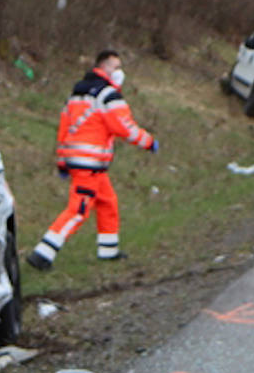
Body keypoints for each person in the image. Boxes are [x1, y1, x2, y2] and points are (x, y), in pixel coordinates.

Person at [27, 50, 157, 270]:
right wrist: (149, 142)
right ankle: (43, 253)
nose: (119, 73)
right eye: (116, 67)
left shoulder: (77, 94)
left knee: (107, 202)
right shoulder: (108, 95)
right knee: (78, 210)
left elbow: (64, 129)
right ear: (103, 68)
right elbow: (124, 127)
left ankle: (108, 250)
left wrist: (62, 161)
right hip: (90, 163)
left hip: (81, 161)